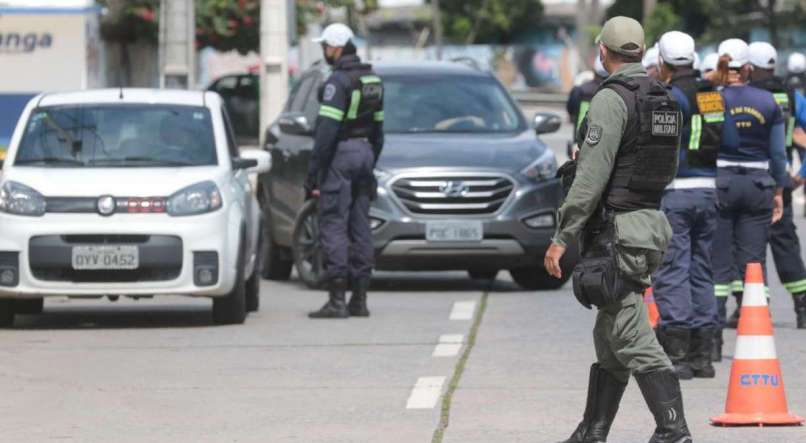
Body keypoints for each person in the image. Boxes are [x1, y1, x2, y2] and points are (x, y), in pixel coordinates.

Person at [546, 16, 692, 443]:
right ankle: (592, 431)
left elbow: (590, 177)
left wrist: (562, 236)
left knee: (631, 334)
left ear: (604, 52)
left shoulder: (611, 99)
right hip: (647, 224)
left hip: (617, 231)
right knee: (611, 336)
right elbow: (664, 166)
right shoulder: (663, 98)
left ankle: (672, 430)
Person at [710, 39, 787, 359]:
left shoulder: (713, 99)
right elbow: (778, 154)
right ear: (748, 69)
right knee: (753, 262)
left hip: (722, 182)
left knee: (718, 262)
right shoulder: (769, 101)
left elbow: (708, 142)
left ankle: (710, 341)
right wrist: (779, 191)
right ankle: (757, 331)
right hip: (758, 184)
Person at [652, 31, 722, 380]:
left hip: (676, 192)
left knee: (672, 269)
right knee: (702, 268)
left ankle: (677, 355)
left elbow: (661, 146)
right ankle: (703, 357)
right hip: (709, 191)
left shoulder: (669, 96)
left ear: (663, 62)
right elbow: (729, 138)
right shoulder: (711, 93)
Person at [306, 23, 385, 319]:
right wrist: (370, 162)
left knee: (333, 224)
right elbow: (379, 130)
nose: (324, 52)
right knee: (360, 225)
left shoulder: (337, 82)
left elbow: (326, 133)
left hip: (341, 156)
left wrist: (314, 173)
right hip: (365, 153)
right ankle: (360, 300)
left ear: (336, 47)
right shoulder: (372, 79)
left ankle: (337, 300)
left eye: (325, 46)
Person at [737, 42, 806, 330]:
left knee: (748, 246)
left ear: (749, 68)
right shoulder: (793, 96)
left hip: (750, 178)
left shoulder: (745, 95)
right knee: (785, 243)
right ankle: (802, 304)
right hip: (782, 181)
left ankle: (753, 307)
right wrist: (802, 172)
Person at [567, 56, 608, 138]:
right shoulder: (613, 91)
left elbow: (570, 110)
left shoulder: (579, 90)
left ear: (594, 70)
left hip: (580, 139)